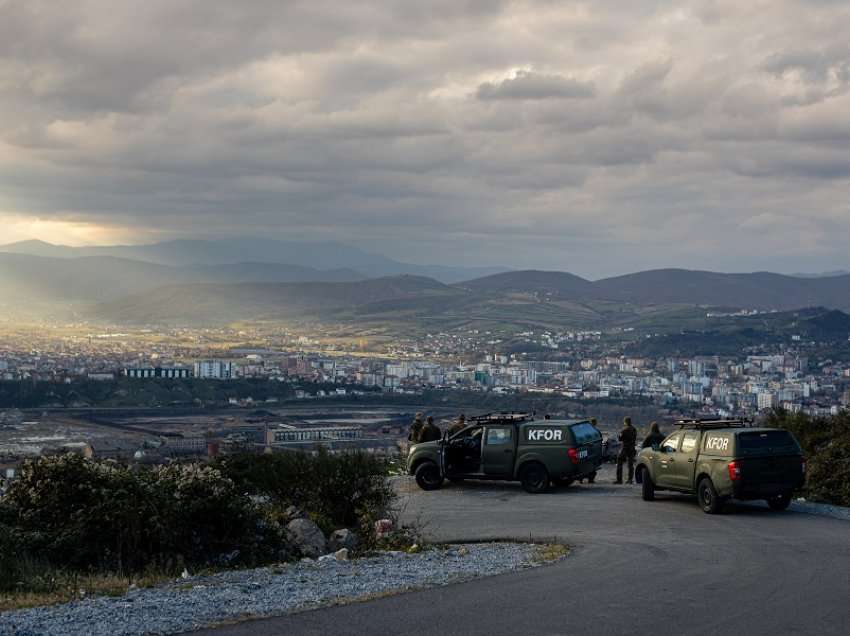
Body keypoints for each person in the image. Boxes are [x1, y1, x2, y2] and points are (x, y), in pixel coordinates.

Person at [615, 417, 637, 484]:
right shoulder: (634, 429)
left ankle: (619, 480)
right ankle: (630, 479)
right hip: (632, 448)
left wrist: (619, 435)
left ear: (625, 422)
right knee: (630, 464)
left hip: (625, 448)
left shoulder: (624, 430)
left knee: (619, 461)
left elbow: (620, 439)